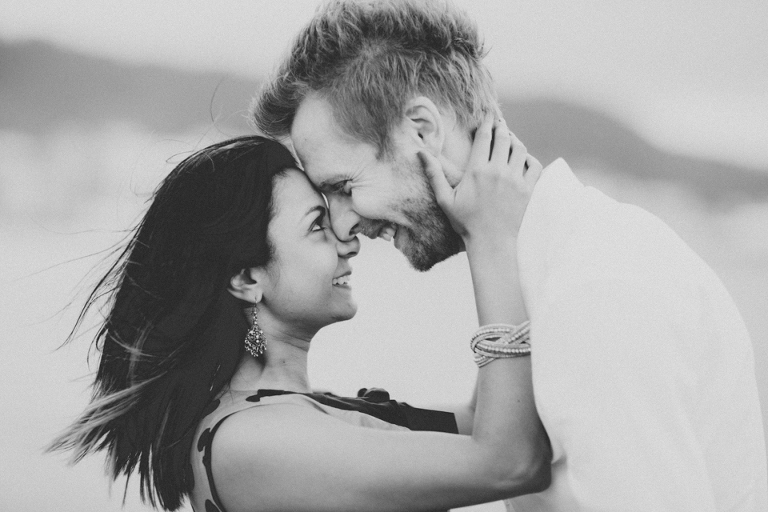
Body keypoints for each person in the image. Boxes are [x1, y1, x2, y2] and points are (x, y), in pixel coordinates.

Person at [251, 0, 768, 510]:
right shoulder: (553, 271)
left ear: (423, 132)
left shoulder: (597, 288)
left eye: (344, 186)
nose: (344, 226)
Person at [48, 133, 552, 511]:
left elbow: (505, 421)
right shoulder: (248, 441)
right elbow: (510, 462)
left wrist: (462, 216)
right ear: (247, 277)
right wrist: (490, 238)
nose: (348, 239)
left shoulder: (295, 416)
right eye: (316, 225)